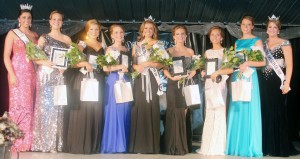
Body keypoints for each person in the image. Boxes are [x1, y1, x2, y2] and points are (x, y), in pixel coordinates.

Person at [31, 10, 72, 153]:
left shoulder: (67, 39)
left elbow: (71, 59)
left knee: (57, 107)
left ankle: (54, 144)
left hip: (59, 76)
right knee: (44, 107)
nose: (56, 22)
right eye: (54, 19)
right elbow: (34, 56)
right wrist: (46, 62)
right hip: (46, 74)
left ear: (62, 22)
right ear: (49, 21)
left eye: (59, 19)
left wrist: (65, 68)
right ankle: (42, 143)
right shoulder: (44, 38)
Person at [225, 15, 266, 157]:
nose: (246, 27)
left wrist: (248, 63)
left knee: (249, 108)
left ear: (253, 26)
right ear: (240, 26)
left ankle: (249, 146)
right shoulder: (237, 42)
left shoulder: (257, 41)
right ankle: (236, 145)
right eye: (243, 24)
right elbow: (235, 63)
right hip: (238, 75)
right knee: (237, 108)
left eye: (249, 24)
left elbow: (262, 62)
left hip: (250, 76)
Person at [65, 19, 105, 154]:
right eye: (91, 29)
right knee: (83, 110)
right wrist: (84, 64)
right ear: (87, 31)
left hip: (98, 80)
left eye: (96, 29)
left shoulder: (103, 46)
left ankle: (92, 145)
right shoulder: (82, 44)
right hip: (84, 79)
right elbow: (72, 62)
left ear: (99, 31)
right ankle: (80, 144)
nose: (94, 32)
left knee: (96, 110)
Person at [3, 3, 38, 152]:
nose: (26, 20)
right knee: (17, 106)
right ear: (19, 18)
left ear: (31, 20)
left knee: (29, 106)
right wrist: (11, 73)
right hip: (17, 71)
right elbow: (5, 56)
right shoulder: (12, 33)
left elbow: (37, 57)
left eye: (29, 17)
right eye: (24, 17)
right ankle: (15, 141)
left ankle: (27, 141)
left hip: (31, 72)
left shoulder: (35, 36)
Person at [260, 15, 295, 157]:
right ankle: (267, 145)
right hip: (264, 82)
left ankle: (278, 146)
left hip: (278, 81)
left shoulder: (285, 43)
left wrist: (287, 83)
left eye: (275, 27)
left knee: (278, 112)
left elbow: (290, 65)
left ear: (278, 30)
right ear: (266, 29)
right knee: (266, 111)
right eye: (270, 27)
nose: (272, 29)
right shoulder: (262, 45)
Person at [129, 17, 163, 154]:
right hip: (139, 79)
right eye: (145, 28)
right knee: (139, 106)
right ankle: (138, 145)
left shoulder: (158, 44)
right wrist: (136, 66)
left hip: (152, 78)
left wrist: (149, 64)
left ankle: (152, 145)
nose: (148, 31)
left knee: (152, 106)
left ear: (154, 31)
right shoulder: (136, 46)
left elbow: (162, 64)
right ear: (142, 31)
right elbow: (132, 63)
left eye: (151, 28)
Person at [197, 26, 231, 155]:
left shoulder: (226, 51)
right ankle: (207, 145)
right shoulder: (207, 52)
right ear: (209, 37)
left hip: (220, 84)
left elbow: (230, 69)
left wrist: (218, 72)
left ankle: (218, 146)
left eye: (218, 35)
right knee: (210, 111)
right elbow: (204, 69)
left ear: (222, 37)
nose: (215, 37)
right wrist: (203, 72)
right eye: (213, 35)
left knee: (220, 111)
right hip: (209, 84)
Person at [163, 25, 196, 155]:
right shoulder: (168, 51)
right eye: (178, 34)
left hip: (186, 84)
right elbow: (165, 69)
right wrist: (172, 77)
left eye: (183, 34)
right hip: (172, 84)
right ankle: (171, 145)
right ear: (173, 36)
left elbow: (194, 69)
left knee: (184, 113)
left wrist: (189, 75)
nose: (180, 36)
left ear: (186, 36)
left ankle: (182, 145)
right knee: (172, 112)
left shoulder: (190, 51)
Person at [100, 24, 132, 153]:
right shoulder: (109, 49)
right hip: (113, 80)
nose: (119, 35)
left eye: (121, 32)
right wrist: (119, 67)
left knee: (125, 111)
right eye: (116, 33)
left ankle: (123, 144)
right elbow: (105, 68)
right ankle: (113, 144)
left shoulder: (126, 49)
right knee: (114, 112)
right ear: (112, 35)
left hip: (125, 80)